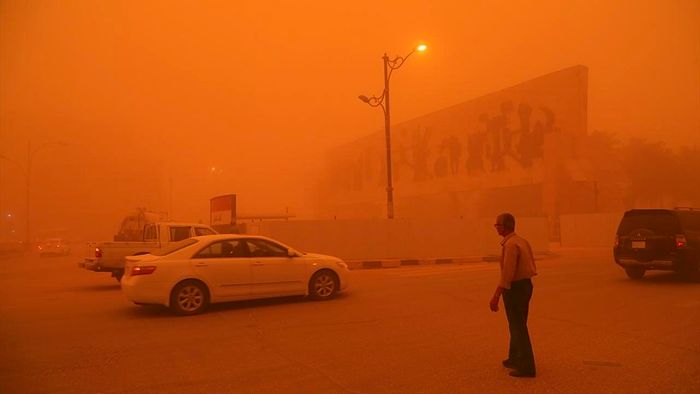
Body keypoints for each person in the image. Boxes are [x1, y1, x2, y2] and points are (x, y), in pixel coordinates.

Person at [489, 213, 538, 378]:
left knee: (518, 327)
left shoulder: (510, 245)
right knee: (517, 324)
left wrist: (496, 295)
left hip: (515, 288)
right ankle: (514, 357)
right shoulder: (521, 241)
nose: (496, 227)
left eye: (497, 225)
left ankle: (527, 366)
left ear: (504, 227)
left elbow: (507, 274)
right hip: (526, 285)